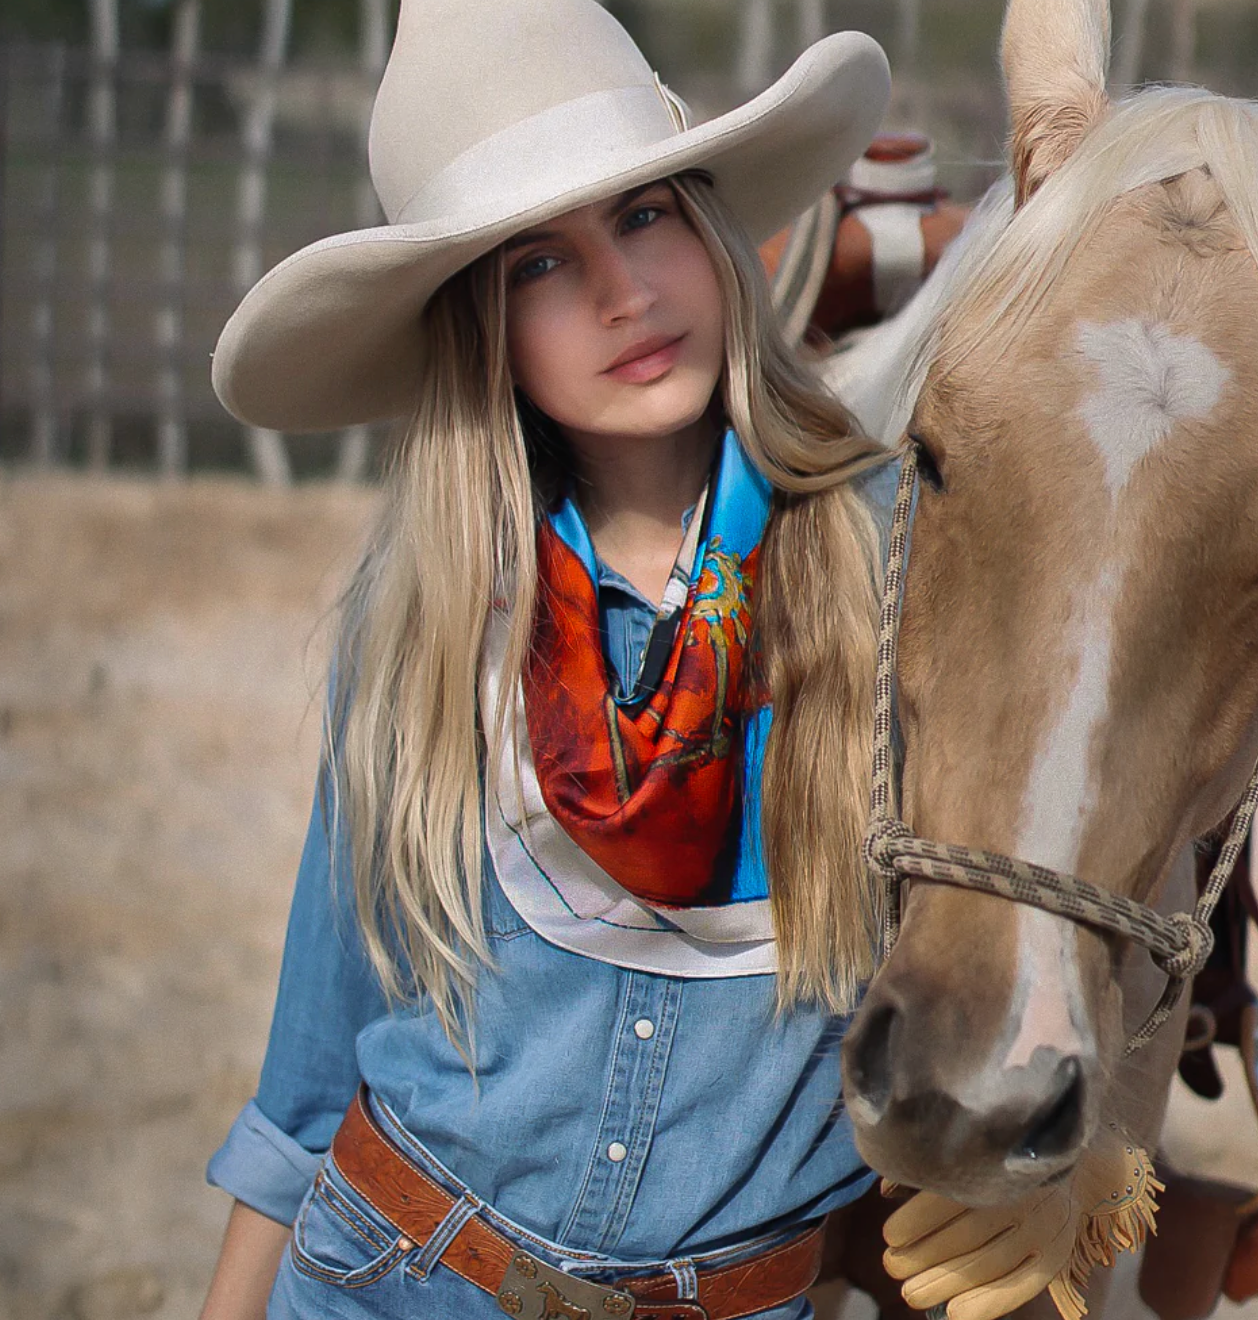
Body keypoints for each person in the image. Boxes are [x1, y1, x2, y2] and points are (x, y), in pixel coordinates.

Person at [200, 2, 902, 1317]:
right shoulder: (423, 615)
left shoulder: (900, 565)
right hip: (391, 1275)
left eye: (644, 215)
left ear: (710, 230)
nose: (622, 294)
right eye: (537, 263)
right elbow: (310, 1066)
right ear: (481, 332)